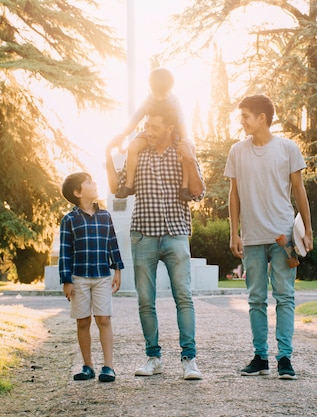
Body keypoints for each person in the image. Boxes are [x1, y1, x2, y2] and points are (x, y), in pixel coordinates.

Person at [105, 100, 206, 380]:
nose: (148, 130)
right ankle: (153, 357)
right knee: (145, 300)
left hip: (176, 233)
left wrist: (189, 160)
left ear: (169, 127)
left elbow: (198, 193)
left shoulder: (183, 150)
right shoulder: (139, 152)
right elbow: (121, 188)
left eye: (154, 126)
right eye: (147, 125)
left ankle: (189, 359)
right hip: (143, 235)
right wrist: (108, 155)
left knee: (183, 297)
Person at [224, 94, 314, 380]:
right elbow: (233, 194)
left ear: (262, 117)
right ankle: (260, 357)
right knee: (256, 299)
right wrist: (234, 232)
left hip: (283, 237)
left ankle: (285, 358)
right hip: (251, 238)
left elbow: (300, 191)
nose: (243, 122)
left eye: (246, 116)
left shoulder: (288, 148)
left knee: (285, 297)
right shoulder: (237, 151)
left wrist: (308, 230)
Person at [58, 172, 124, 382]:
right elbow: (65, 251)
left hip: (103, 276)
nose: (94, 183)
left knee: (103, 319)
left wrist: (118, 270)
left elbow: (112, 244)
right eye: (89, 182)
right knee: (83, 322)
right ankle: (88, 366)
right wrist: (66, 280)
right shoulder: (69, 220)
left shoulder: (105, 216)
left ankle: (108, 367)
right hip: (79, 278)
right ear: (77, 192)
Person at [109, 67, 194, 201]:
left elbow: (182, 122)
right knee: (133, 146)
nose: (160, 98)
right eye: (157, 94)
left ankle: (184, 187)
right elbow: (136, 118)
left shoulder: (175, 100)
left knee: (186, 152)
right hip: (152, 131)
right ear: (150, 89)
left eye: (164, 94)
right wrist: (123, 134)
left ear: (170, 90)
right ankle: (129, 184)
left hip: (174, 133)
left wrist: (184, 141)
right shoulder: (148, 100)